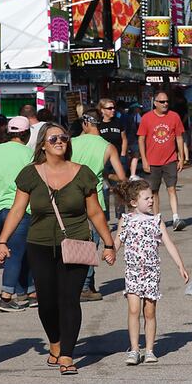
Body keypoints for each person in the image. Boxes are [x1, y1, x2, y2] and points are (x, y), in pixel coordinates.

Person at [0, 123, 116, 376]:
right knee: (47, 302)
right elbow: (17, 210)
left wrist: (108, 243)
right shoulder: (30, 174)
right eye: (53, 138)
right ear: (42, 144)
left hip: (77, 242)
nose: (60, 141)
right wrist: (3, 241)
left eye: (63, 137)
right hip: (40, 245)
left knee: (70, 300)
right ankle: (55, 342)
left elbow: (94, 211)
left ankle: (67, 355)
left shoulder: (83, 174)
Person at [113, 179, 189, 365]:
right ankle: (134, 349)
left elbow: (169, 244)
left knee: (149, 312)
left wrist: (180, 265)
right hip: (132, 272)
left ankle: (149, 350)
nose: (151, 201)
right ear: (133, 202)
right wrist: (109, 253)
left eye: (151, 197)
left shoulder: (156, 220)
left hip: (151, 273)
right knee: (133, 310)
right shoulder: (126, 220)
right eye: (146, 198)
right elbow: (116, 242)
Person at [0, 116, 36, 312]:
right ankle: (6, 298)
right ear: (26, 134)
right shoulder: (29, 154)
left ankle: (29, 291)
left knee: (21, 251)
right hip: (18, 211)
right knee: (14, 253)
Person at [72, 109, 127, 301]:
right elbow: (121, 177)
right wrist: (106, 175)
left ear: (86, 123)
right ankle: (85, 286)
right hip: (95, 198)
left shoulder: (71, 143)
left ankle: (82, 283)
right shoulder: (108, 146)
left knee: (76, 240)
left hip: (71, 197)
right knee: (91, 242)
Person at [138, 90, 187, 231]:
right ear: (155, 103)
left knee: (171, 188)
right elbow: (141, 139)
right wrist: (144, 160)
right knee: (154, 192)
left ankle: (176, 217)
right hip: (152, 161)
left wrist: (181, 158)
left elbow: (179, 138)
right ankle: (156, 219)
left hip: (170, 159)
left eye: (166, 101)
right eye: (162, 102)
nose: (165, 104)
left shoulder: (174, 117)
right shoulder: (146, 118)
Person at [97, 98, 128, 220]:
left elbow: (124, 138)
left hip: (118, 158)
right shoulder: (98, 124)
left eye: (113, 107)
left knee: (119, 187)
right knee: (104, 188)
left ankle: (121, 217)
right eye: (109, 108)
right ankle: (105, 218)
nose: (113, 110)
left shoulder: (118, 122)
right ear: (102, 110)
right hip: (104, 159)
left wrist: (123, 154)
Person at [126, 102, 143, 179]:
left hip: (126, 139)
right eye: (138, 108)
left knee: (129, 156)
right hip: (134, 138)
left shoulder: (125, 116)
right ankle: (132, 174)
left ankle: (128, 171)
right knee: (135, 156)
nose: (140, 110)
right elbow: (140, 126)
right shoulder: (137, 116)